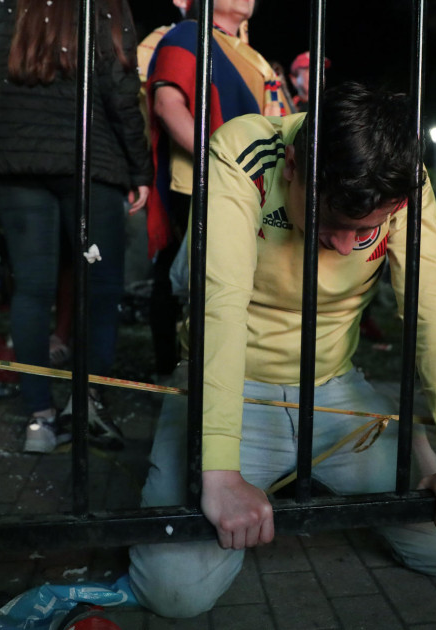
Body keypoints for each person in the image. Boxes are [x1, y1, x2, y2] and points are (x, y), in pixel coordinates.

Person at [127, 83, 436, 619]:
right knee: (172, 592)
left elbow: (431, 314)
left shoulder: (402, 176)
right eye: (334, 224)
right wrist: (222, 472)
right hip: (230, 384)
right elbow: (221, 308)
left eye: (363, 231)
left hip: (332, 391)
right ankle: (278, 469)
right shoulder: (244, 150)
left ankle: (364, 450)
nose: (348, 246)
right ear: (295, 165)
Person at [0, 0, 152, 452]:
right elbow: (119, 88)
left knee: (31, 288)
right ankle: (87, 406)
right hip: (89, 155)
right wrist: (139, 167)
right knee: (99, 288)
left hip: (17, 155)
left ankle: (39, 420)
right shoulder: (104, 4)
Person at [144, 0, 288, 377]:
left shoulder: (251, 54)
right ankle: (178, 373)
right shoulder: (188, 33)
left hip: (250, 183)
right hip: (202, 181)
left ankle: (224, 370)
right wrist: (222, 159)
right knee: (196, 284)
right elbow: (167, 104)